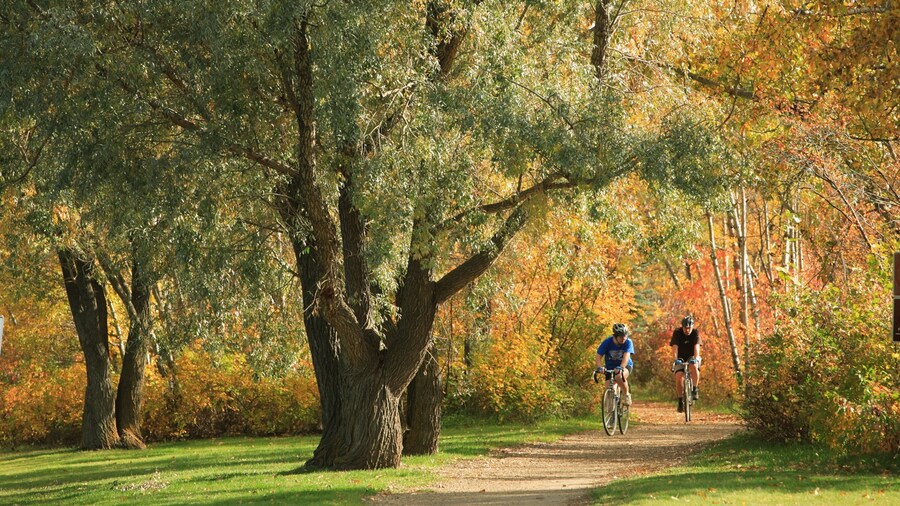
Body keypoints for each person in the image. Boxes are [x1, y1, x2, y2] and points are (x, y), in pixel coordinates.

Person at [594, 323, 634, 406]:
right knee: (609, 388)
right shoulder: (607, 342)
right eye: (621, 336)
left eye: (625, 335)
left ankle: (626, 394)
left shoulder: (628, 342)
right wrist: (600, 367)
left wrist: (621, 367)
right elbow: (598, 356)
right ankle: (611, 410)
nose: (624, 338)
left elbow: (626, 356)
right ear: (615, 336)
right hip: (610, 367)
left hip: (625, 366)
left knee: (618, 376)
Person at [670, 315, 701, 413]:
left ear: (692, 327)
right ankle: (680, 400)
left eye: (689, 328)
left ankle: (695, 389)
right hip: (680, 357)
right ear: (682, 327)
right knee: (679, 376)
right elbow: (675, 347)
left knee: (694, 366)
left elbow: (697, 347)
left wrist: (695, 358)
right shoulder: (677, 332)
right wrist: (675, 359)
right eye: (685, 328)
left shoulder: (695, 333)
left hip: (692, 356)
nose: (687, 330)